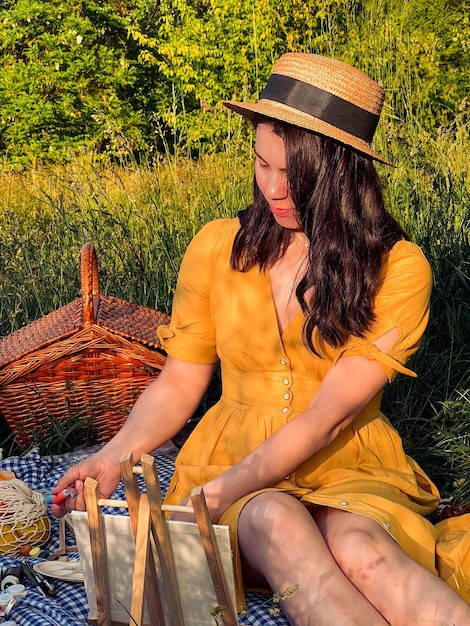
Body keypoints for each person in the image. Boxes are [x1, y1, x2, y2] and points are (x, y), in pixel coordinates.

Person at [52, 53, 470, 625]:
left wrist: (216, 495)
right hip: (235, 465)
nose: (273, 188)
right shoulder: (216, 247)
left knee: (363, 550)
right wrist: (111, 457)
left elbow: (331, 418)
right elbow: (180, 380)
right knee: (276, 520)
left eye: (294, 176)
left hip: (346, 464)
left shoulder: (398, 268)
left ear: (342, 173)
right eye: (261, 163)